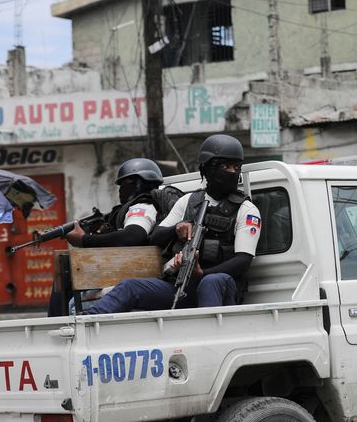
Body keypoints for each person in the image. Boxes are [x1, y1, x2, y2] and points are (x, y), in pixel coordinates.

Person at [83, 134, 261, 314]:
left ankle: (207, 338)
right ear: (208, 168)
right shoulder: (188, 201)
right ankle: (85, 324)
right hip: (182, 285)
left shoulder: (246, 209)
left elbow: (243, 261)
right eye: (226, 166)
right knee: (129, 286)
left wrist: (201, 274)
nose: (232, 172)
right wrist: (176, 230)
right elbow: (155, 237)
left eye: (235, 167)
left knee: (212, 281)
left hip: (221, 290)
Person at [47, 158, 171, 316]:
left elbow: (133, 236)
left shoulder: (142, 206)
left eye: (126, 183)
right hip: (120, 272)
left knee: (71, 293)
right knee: (66, 273)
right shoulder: (125, 210)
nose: (120, 190)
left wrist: (84, 240)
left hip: (132, 275)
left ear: (140, 183)